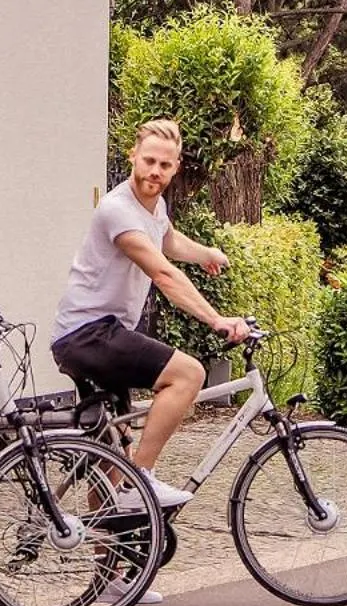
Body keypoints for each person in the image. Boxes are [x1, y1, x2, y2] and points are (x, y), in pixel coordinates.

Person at [51, 118, 250, 512]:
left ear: (176, 168)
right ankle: (141, 479)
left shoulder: (154, 206)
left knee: (107, 459)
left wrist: (205, 253)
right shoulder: (117, 210)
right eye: (149, 161)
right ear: (133, 157)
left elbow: (168, 240)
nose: (155, 172)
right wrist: (216, 319)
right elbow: (161, 271)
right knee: (188, 374)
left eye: (164, 165)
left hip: (95, 335)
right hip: (88, 334)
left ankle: (110, 571)